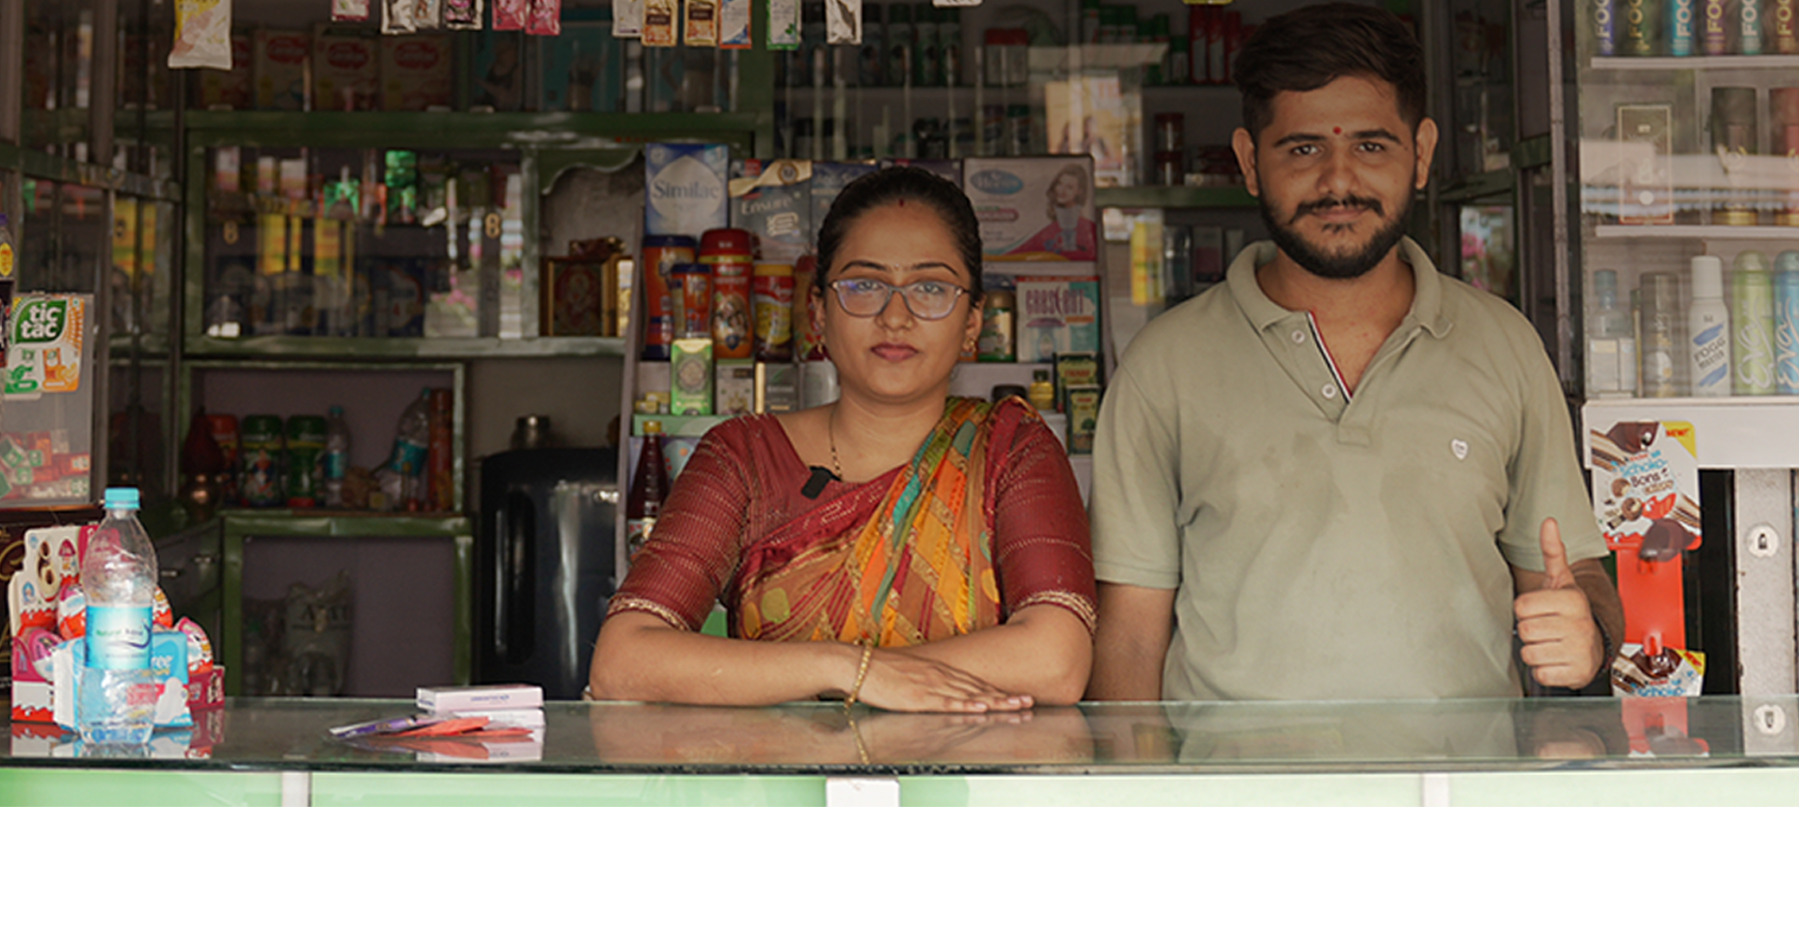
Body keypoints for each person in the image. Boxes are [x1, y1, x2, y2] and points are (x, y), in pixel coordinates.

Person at [1086, 4, 1623, 702]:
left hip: (1458, 797)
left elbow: (1578, 573)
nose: (1339, 182)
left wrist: (1591, 634)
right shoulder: (1165, 366)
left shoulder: (1503, 345)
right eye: (1303, 149)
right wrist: (1146, 804)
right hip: (1234, 804)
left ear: (1422, 152)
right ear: (1250, 161)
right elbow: (1129, 638)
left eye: (1371, 146)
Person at [591, 166, 1095, 713]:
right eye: (864, 285)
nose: (896, 316)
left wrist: (845, 675)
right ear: (817, 313)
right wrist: (851, 671)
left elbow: (1056, 659)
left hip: (969, 791)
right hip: (786, 790)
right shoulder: (743, 458)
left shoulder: (1011, 449)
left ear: (973, 322)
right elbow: (625, 660)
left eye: (931, 288)